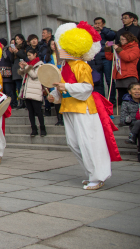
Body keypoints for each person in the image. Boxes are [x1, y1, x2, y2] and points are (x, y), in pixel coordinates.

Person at [48, 22, 121, 190]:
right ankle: (91, 174)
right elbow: (64, 86)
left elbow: (87, 88)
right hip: (68, 108)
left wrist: (65, 88)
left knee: (88, 143)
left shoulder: (81, 65)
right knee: (74, 143)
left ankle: (97, 176)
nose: (58, 49)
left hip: (83, 109)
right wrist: (55, 95)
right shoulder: (65, 66)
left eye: (60, 46)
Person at [106, 33, 140, 109]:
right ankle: (123, 112)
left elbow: (128, 57)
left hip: (129, 75)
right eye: (120, 39)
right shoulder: (120, 48)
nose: (121, 41)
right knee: (121, 96)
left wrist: (118, 49)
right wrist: (108, 48)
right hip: (120, 74)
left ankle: (134, 111)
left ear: (129, 39)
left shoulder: (135, 48)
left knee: (131, 95)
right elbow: (110, 57)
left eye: (123, 39)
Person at [18, 48, 46, 137]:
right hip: (27, 91)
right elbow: (24, 76)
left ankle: (42, 128)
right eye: (28, 55)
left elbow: (34, 76)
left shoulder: (40, 65)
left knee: (38, 111)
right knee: (30, 112)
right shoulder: (29, 64)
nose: (29, 57)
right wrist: (22, 69)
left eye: (30, 55)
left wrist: (26, 67)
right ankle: (33, 129)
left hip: (35, 91)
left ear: (35, 55)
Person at [94, 17, 117, 98]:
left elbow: (112, 37)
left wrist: (103, 30)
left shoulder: (107, 31)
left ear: (103, 24)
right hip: (96, 59)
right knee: (99, 80)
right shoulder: (92, 32)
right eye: (96, 23)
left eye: (99, 23)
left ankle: (112, 99)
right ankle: (102, 98)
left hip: (106, 58)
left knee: (109, 79)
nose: (97, 25)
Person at [9, 34, 27, 109]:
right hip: (16, 69)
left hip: (23, 69)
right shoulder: (15, 48)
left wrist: (17, 52)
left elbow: (25, 57)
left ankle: (25, 102)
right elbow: (12, 60)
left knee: (24, 86)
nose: (17, 41)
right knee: (18, 87)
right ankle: (21, 102)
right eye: (16, 39)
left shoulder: (25, 48)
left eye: (18, 39)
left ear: (22, 40)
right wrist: (12, 53)